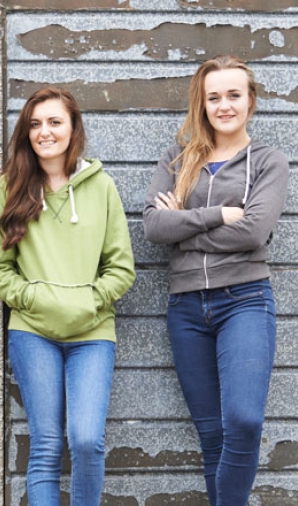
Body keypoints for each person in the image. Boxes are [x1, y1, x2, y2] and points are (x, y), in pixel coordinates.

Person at [144, 55, 287, 506]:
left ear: (251, 101)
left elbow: (254, 232)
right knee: (212, 435)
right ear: (202, 104)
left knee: (243, 421)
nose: (224, 105)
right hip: (186, 308)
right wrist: (217, 215)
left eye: (233, 95)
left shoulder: (268, 162)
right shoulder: (177, 159)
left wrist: (185, 229)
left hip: (244, 300)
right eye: (214, 97)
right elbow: (154, 227)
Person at [0, 87, 135, 505]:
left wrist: (89, 301)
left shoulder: (101, 187)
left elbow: (121, 268)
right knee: (46, 445)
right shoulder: (9, 188)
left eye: (54, 122)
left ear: (73, 128)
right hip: (33, 332)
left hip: (92, 333)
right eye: (35, 124)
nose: (44, 132)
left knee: (86, 440)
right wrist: (35, 299)